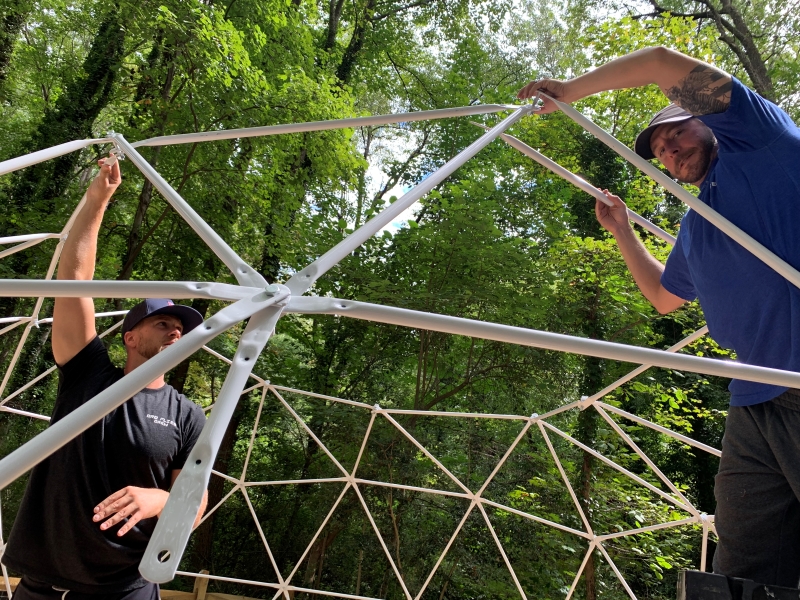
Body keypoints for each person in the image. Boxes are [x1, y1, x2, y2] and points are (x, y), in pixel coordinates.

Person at [519, 47, 800, 588]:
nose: (669, 148)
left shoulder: (760, 142)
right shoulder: (697, 223)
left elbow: (656, 61)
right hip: (753, 400)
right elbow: (665, 297)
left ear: (709, 119)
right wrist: (623, 229)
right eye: (660, 150)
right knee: (743, 571)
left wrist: (571, 91)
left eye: (678, 131)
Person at [2, 157, 209, 600]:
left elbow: (194, 501)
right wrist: (98, 199)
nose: (176, 332)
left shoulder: (188, 416)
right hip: (39, 583)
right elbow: (75, 279)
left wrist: (159, 501)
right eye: (163, 325)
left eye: (182, 329)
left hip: (122, 588)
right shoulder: (87, 372)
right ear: (130, 336)